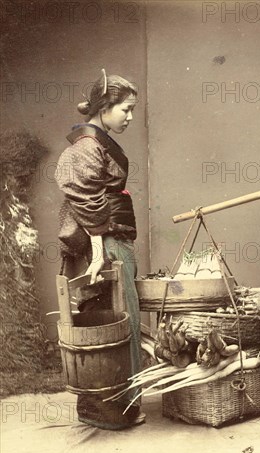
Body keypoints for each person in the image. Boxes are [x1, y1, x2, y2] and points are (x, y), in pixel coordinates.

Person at [55, 69, 145, 428]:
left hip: (112, 239)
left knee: (119, 319)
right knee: (115, 321)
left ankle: (118, 405)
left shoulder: (96, 142)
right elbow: (83, 198)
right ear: (105, 107)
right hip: (105, 244)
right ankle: (110, 409)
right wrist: (97, 249)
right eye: (125, 108)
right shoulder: (87, 146)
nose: (130, 116)